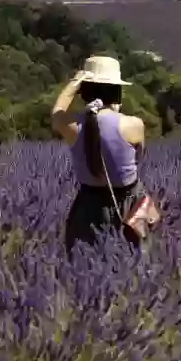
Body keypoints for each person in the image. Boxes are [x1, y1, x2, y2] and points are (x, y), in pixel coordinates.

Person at [51, 55, 146, 253]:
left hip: (88, 207)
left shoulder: (72, 126)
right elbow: (138, 160)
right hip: (129, 206)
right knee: (133, 266)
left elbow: (57, 111)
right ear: (117, 92)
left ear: (84, 92)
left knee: (83, 268)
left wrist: (74, 84)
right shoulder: (134, 125)